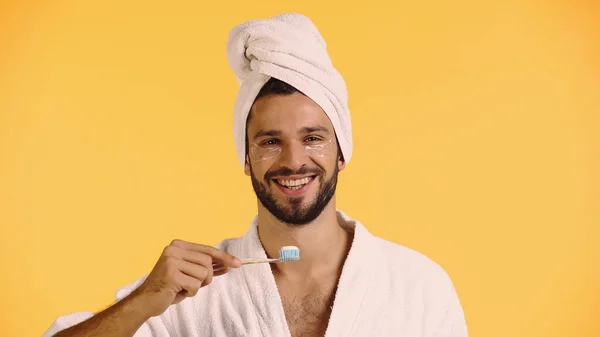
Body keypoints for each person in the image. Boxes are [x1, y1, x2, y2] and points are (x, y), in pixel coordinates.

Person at [43, 12, 468, 337]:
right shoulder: (192, 297)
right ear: (246, 158)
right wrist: (143, 302)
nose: (293, 160)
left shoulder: (418, 287)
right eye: (269, 141)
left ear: (342, 152)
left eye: (313, 138)